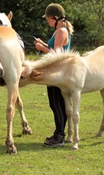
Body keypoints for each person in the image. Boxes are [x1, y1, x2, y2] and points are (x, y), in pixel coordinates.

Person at [34, 3, 74, 147]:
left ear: (56, 18)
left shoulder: (61, 32)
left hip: (56, 73)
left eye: (49, 19)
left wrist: (40, 47)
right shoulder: (61, 31)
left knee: (55, 104)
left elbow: (55, 55)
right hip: (60, 72)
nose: (47, 21)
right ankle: (59, 133)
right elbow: (55, 48)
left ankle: (59, 136)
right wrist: (44, 43)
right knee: (59, 104)